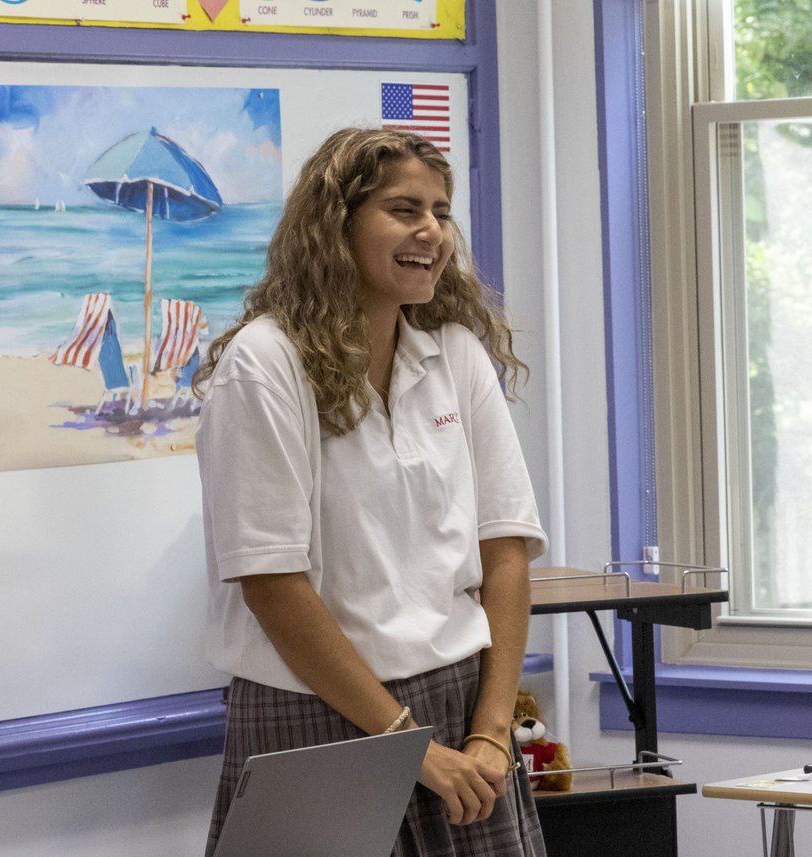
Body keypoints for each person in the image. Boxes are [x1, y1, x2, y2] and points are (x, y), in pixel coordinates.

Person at [194, 127, 549, 857]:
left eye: (441, 212)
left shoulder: (455, 354)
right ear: (336, 226)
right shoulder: (264, 365)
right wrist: (403, 743)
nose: (432, 231)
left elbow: (505, 549)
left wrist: (489, 732)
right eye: (404, 209)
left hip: (462, 707)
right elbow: (271, 582)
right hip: (316, 715)